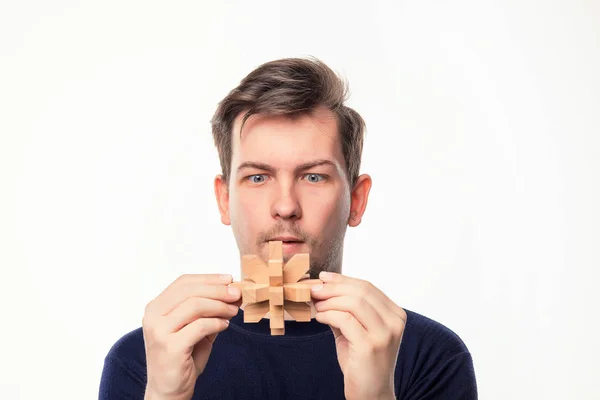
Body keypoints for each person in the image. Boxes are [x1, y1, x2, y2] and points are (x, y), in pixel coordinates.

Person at [99, 57, 478, 400]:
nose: (285, 206)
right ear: (224, 199)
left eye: (314, 177)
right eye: (258, 177)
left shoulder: (431, 356)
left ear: (357, 200)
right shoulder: (146, 358)